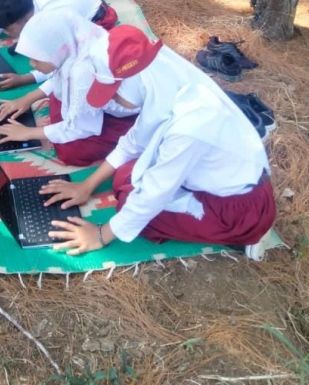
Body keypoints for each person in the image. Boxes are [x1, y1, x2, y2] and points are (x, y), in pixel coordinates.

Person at [39, 26, 276, 253]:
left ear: (133, 82)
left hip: (237, 210)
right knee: (125, 176)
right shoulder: (162, 79)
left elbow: (156, 191)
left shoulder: (190, 125)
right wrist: (87, 185)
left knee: (133, 207)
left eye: (114, 93)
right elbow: (134, 140)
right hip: (211, 180)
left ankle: (235, 236)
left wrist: (102, 234)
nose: (113, 102)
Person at [0, 11, 139, 166]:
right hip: (101, 94)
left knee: (71, 151)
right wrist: (28, 98)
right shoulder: (74, 43)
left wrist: (28, 133)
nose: (31, 64)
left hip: (129, 112)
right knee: (58, 102)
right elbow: (60, 73)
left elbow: (81, 127)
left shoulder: (83, 71)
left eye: (36, 58)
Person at [0, 0, 119, 90]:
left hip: (98, 18)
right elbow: (3, 17)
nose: (8, 35)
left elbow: (59, 64)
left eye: (9, 30)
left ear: (26, 20)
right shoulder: (21, 1)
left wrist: (24, 79)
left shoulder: (53, 23)